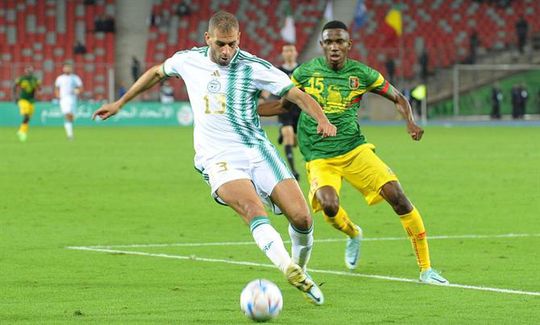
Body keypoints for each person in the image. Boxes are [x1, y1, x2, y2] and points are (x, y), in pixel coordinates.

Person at [92, 11, 337, 305]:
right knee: (252, 208)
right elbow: (157, 72)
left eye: (232, 44)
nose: (227, 51)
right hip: (218, 156)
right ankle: (288, 269)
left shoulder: (254, 67)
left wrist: (321, 118)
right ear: (208, 38)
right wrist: (121, 102)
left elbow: (295, 95)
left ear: (239, 40)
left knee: (302, 218)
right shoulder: (188, 60)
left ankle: (301, 268)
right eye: (221, 44)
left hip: (257, 150)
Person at [259, 20, 449, 285]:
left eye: (340, 41)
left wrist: (410, 121)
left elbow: (398, 97)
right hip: (319, 156)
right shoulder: (305, 72)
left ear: (349, 45)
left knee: (398, 196)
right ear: (322, 45)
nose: (335, 46)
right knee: (329, 205)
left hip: (355, 149)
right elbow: (282, 105)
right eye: (330, 42)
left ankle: (426, 269)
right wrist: (250, 110)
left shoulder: (363, 74)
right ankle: (353, 233)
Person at [274, 43, 301, 180]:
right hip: (284, 108)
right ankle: (293, 171)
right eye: (286, 51)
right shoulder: (278, 71)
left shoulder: (301, 70)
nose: (289, 53)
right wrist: (261, 99)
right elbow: (269, 89)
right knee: (288, 134)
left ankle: (283, 133)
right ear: (283, 54)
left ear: (295, 52)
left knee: (295, 141)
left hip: (299, 109)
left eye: (291, 50)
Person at [54, 63, 83, 140]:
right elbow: (56, 88)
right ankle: (70, 135)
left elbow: (81, 88)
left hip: (73, 99)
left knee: (71, 117)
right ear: (63, 69)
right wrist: (57, 95)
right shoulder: (60, 78)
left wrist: (77, 91)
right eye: (65, 67)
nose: (67, 69)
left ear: (71, 69)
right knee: (67, 114)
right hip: (64, 99)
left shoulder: (75, 78)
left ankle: (70, 133)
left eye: (68, 68)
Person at [13, 65, 40, 142]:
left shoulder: (35, 79)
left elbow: (38, 88)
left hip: (31, 100)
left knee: (28, 118)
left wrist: (37, 93)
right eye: (27, 70)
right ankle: (22, 132)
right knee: (26, 116)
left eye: (30, 70)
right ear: (25, 71)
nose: (28, 71)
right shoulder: (21, 78)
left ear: (32, 71)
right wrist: (15, 97)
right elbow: (14, 86)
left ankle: (21, 130)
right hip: (23, 99)